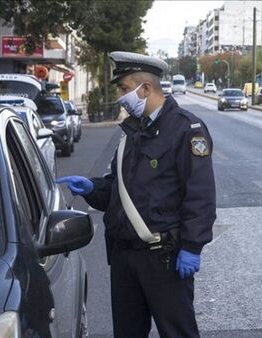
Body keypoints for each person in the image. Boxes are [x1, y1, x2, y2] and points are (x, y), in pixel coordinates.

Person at [57, 51, 216, 337]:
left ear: (145, 89)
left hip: (163, 258)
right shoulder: (133, 131)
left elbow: (201, 196)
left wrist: (192, 247)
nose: (120, 96)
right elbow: (123, 190)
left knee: (177, 332)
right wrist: (95, 189)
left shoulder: (185, 129)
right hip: (124, 257)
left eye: (124, 89)